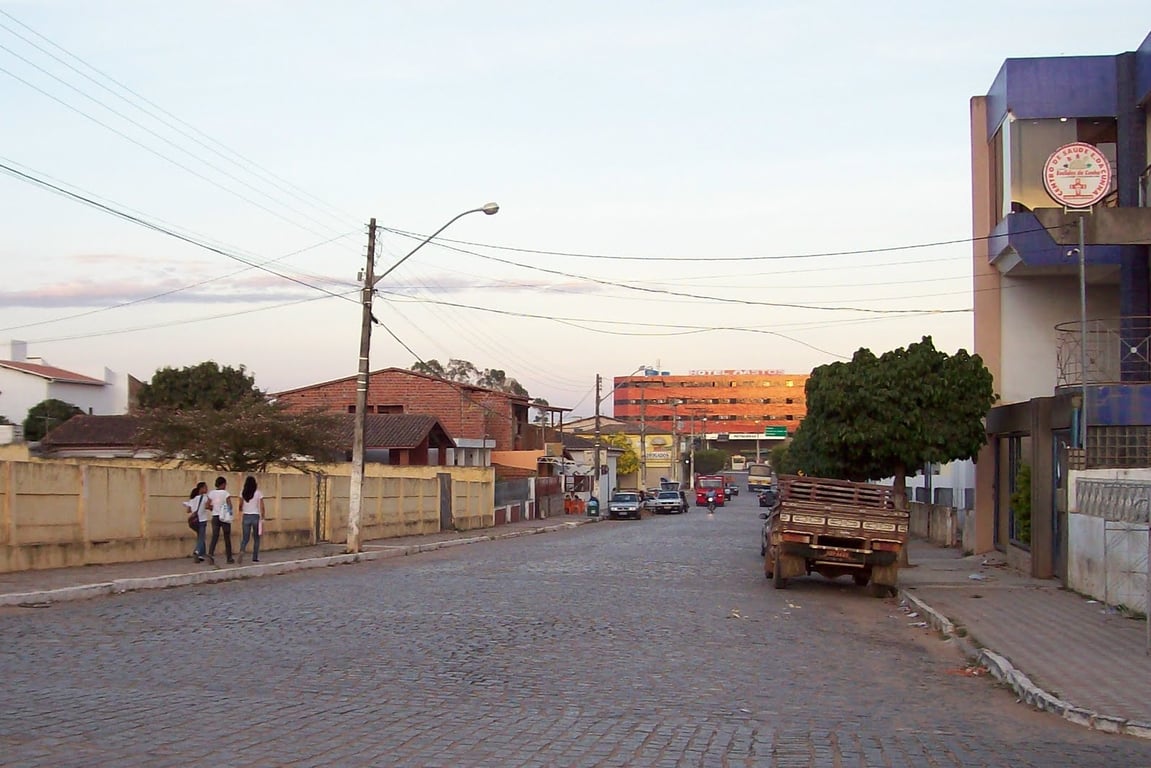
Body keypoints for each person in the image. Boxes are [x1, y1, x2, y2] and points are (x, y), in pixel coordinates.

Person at [206, 476, 235, 564]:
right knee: (227, 538)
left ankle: (210, 553)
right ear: (223, 484)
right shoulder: (225, 493)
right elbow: (230, 506)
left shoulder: (211, 493)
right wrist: (229, 513)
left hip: (215, 517)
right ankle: (229, 558)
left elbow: (207, 505)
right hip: (224, 518)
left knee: (215, 536)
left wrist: (213, 508)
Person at [237, 475, 265, 564]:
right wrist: (263, 517)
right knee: (256, 538)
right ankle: (255, 558)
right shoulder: (258, 493)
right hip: (255, 516)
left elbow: (240, 506)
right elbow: (262, 507)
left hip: (246, 516)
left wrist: (242, 509)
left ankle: (242, 550)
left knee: (245, 538)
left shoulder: (242, 492)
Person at [184, 481, 210, 563]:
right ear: (201, 488)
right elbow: (207, 506)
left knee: (200, 537)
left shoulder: (193, 499)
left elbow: (188, 510)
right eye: (205, 487)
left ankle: (201, 555)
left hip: (194, 522)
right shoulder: (205, 498)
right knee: (201, 538)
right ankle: (197, 551)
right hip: (202, 520)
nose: (207, 489)